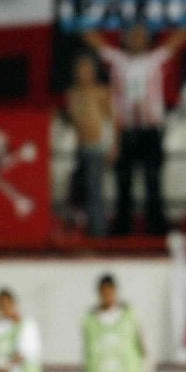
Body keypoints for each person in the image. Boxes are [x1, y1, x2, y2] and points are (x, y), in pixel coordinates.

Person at [84, 21, 186, 235]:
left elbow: (177, 41)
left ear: (148, 39)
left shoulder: (155, 59)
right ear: (125, 39)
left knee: (153, 180)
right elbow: (95, 42)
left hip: (150, 130)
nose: (136, 38)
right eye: (132, 35)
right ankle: (122, 228)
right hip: (125, 130)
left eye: (141, 35)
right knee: (123, 181)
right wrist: (74, 19)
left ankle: (156, 229)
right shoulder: (118, 60)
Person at [66, 54, 115, 236]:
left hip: (97, 146)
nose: (83, 74)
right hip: (80, 147)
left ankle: (98, 231)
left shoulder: (102, 92)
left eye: (87, 70)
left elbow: (111, 120)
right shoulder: (73, 93)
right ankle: (85, 228)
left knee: (95, 190)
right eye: (80, 70)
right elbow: (73, 121)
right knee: (82, 190)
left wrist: (112, 145)